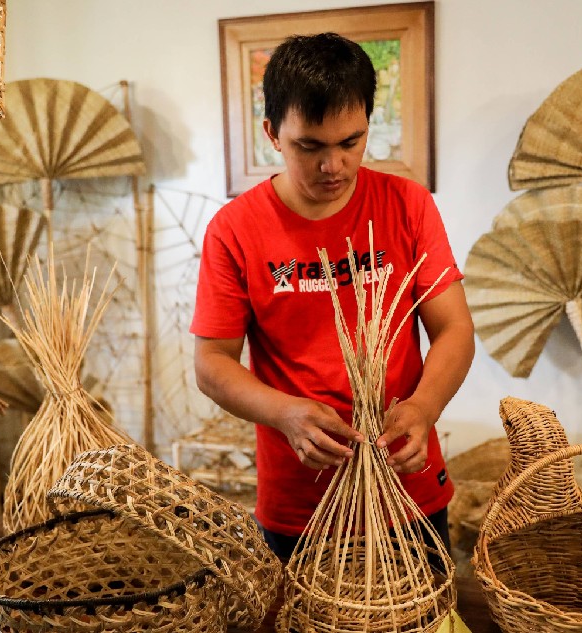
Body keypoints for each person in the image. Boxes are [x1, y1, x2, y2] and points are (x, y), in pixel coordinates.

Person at [191, 32, 475, 560]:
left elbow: (454, 328)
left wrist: (424, 407)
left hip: (405, 486)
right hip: (301, 500)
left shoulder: (407, 204)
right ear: (272, 134)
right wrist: (285, 414)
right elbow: (211, 362)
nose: (334, 167)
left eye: (351, 142)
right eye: (311, 146)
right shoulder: (235, 229)